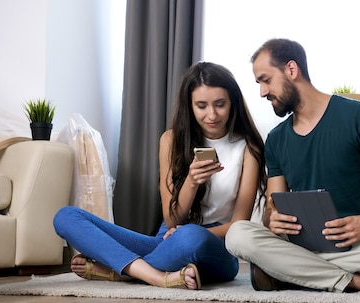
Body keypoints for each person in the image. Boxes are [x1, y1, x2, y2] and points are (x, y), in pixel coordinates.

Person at [225, 38, 360, 296]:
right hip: (303, 245)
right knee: (237, 234)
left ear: (292, 70)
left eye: (266, 80)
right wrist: (274, 221)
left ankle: (291, 275)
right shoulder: (277, 139)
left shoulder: (358, 115)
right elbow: (272, 208)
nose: (262, 92)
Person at [54, 61, 266, 290]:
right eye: (202, 106)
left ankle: (122, 272)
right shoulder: (170, 140)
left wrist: (185, 232)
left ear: (232, 103)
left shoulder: (248, 148)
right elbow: (173, 220)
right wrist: (191, 182)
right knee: (66, 216)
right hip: (167, 238)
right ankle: (155, 276)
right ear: (190, 106)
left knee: (191, 237)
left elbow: (239, 224)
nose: (212, 114)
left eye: (220, 104)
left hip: (217, 245)